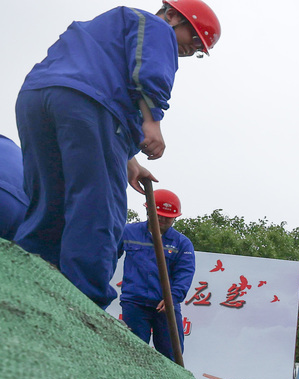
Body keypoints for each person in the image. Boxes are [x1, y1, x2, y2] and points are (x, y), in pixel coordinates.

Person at [12, 0, 219, 309]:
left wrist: (128, 160)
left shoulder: (108, 27)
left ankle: (25, 284)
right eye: (193, 40)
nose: (192, 50)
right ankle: (84, 304)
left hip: (36, 98)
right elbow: (145, 74)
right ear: (173, 15)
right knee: (98, 208)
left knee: (48, 200)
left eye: (200, 50)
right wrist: (152, 121)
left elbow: (92, 83)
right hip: (89, 106)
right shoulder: (157, 26)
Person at [119, 189, 195, 359]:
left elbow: (185, 274)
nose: (161, 220)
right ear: (148, 210)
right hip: (134, 303)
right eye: (158, 215)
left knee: (172, 357)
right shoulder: (129, 232)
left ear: (176, 218)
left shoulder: (182, 244)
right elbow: (107, 256)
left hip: (166, 306)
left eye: (167, 217)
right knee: (132, 354)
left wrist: (172, 298)